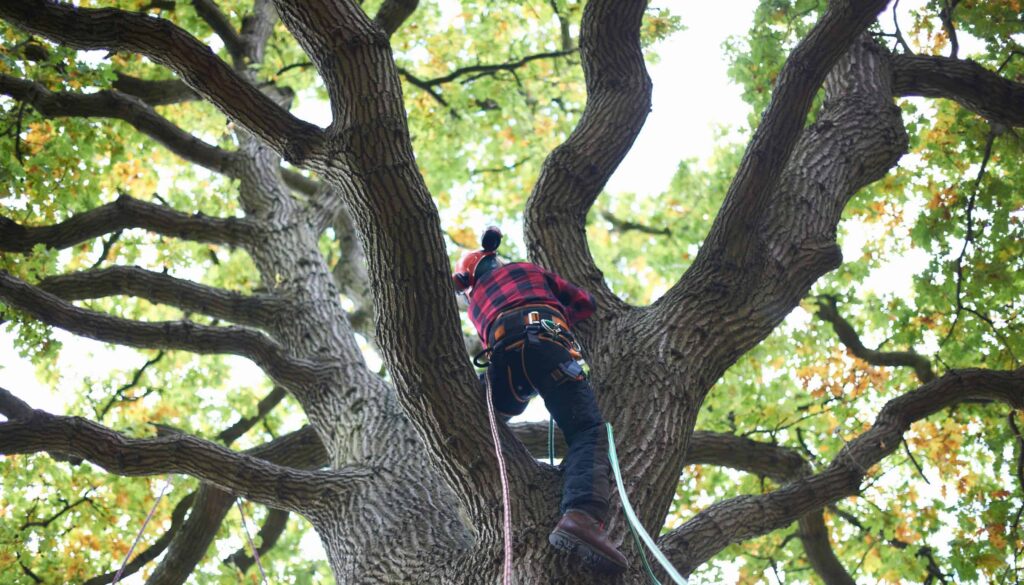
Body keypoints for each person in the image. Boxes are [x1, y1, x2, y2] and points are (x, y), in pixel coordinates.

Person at [453, 226, 628, 575]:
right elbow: (584, 303)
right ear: (494, 259)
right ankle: (581, 515)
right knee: (587, 429)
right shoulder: (525, 271)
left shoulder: (475, 307)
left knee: (505, 406)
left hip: (503, 358)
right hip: (546, 344)